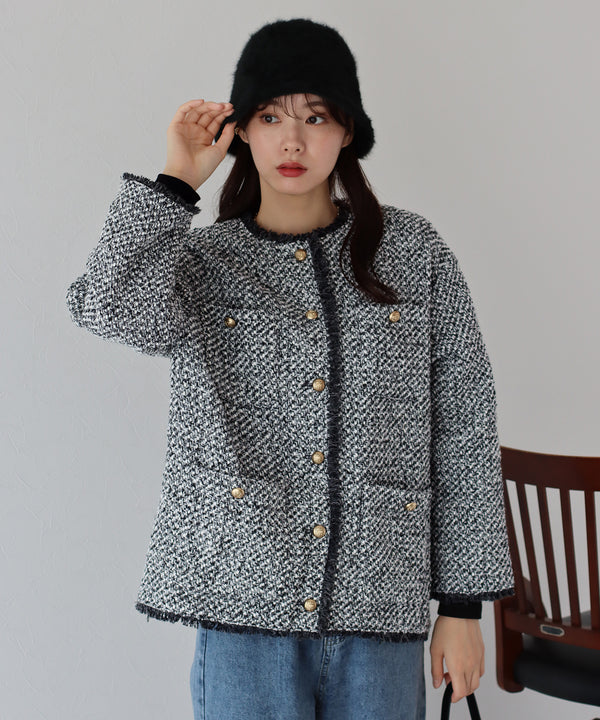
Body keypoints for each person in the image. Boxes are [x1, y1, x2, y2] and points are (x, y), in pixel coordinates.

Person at [66, 17, 514, 720]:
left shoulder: (414, 253)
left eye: (317, 116)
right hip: (240, 600)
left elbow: (464, 424)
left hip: (382, 600)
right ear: (241, 130)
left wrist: (461, 606)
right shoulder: (202, 264)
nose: (294, 141)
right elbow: (104, 306)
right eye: (271, 117)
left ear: (348, 130)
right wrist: (175, 182)